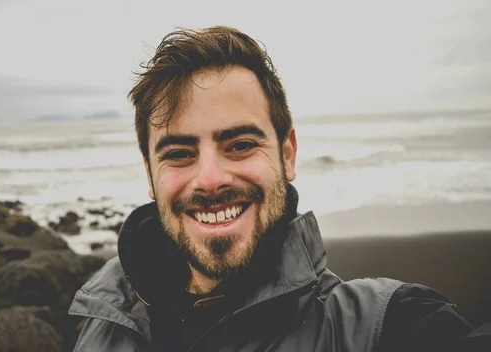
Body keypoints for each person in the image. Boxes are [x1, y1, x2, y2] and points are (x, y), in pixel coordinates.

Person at [69, 26, 490, 351]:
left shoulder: (383, 324)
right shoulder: (105, 321)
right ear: (149, 174)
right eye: (179, 152)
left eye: (240, 145)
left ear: (287, 154)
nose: (211, 178)